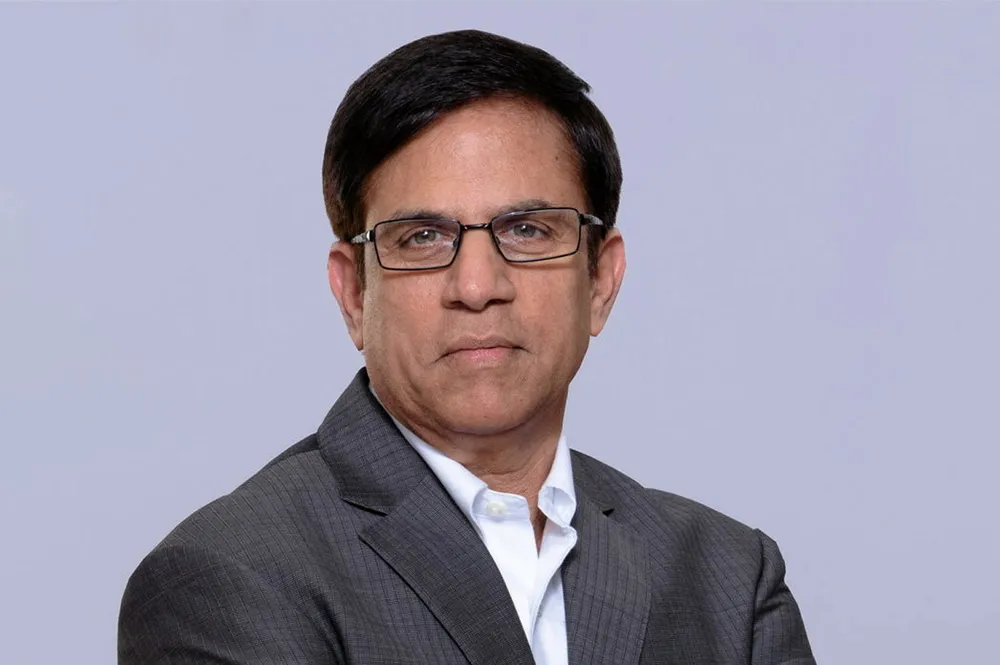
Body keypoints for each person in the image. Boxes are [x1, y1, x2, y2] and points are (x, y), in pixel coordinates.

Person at [118, 29, 815, 665]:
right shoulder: (231, 576)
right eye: (422, 238)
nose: (478, 286)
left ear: (600, 280)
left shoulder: (727, 580)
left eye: (528, 230)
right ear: (353, 293)